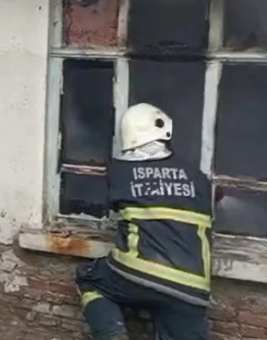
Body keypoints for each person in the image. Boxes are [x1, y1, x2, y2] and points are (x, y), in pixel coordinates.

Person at [75, 103, 223, 340]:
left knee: (89, 278)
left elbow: (113, 203)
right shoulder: (199, 177)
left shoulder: (120, 172)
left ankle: (112, 334)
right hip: (192, 285)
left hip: (135, 272)